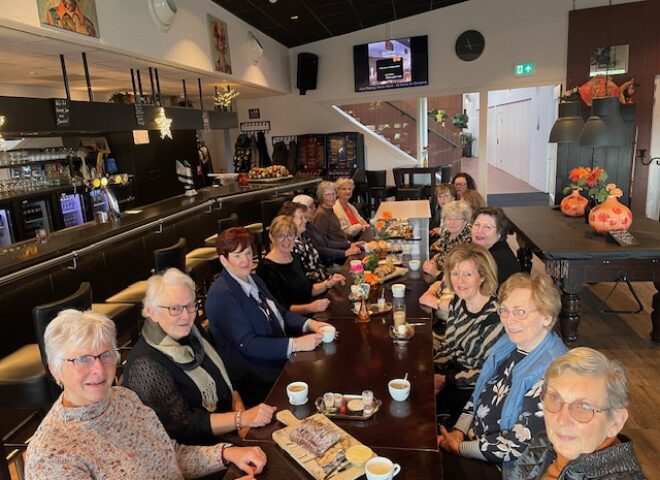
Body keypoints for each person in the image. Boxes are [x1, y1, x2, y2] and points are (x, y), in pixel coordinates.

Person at [25, 309, 265, 480]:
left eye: (106, 355)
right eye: (83, 359)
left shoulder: (124, 398)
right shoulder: (52, 455)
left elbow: (168, 457)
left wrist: (225, 453)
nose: (98, 370)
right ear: (55, 368)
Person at [123, 268, 276, 446]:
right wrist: (240, 419)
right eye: (175, 309)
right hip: (200, 449)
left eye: (190, 306)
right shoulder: (146, 365)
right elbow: (184, 427)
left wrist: (242, 421)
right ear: (152, 312)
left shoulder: (193, 332)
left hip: (230, 426)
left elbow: (226, 382)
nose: (186, 316)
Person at [438, 273, 567, 480]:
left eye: (520, 312)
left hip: (505, 468)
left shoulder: (554, 372)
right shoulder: (508, 343)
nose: (509, 320)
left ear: (547, 317)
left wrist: (459, 448)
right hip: (474, 443)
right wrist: (458, 431)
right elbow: (480, 392)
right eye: (504, 310)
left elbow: (515, 445)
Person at [206, 227, 334, 406]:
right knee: (322, 382)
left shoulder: (254, 279)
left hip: (279, 359)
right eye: (237, 255)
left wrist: (310, 323)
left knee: (329, 368)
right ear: (224, 260)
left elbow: (281, 313)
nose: (245, 260)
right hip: (257, 377)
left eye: (248, 253)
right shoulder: (222, 294)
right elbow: (249, 345)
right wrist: (295, 344)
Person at [504, 347, 647, 480]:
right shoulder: (544, 443)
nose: (561, 420)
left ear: (616, 422)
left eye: (584, 406)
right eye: (555, 398)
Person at [422, 244, 505, 425]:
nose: (460, 281)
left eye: (468, 274)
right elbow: (450, 344)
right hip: (454, 376)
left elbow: (489, 373)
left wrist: (446, 379)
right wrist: (432, 368)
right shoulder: (459, 302)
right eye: (455, 273)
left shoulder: (494, 318)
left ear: (482, 276)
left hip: (475, 392)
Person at [256, 215, 345, 313]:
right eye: (280, 236)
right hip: (291, 319)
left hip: (308, 310)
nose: (286, 240)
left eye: (290, 235)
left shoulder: (295, 257)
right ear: (271, 237)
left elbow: (307, 290)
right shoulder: (266, 268)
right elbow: (278, 308)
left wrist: (328, 283)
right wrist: (310, 307)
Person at [293, 194, 363, 265]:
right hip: (326, 264)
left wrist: (349, 245)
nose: (314, 208)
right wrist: (345, 253)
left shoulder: (310, 225)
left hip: (329, 261)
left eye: (314, 205)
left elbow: (327, 243)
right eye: (311, 207)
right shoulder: (302, 230)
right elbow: (319, 250)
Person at [279, 201, 330, 282]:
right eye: (301, 218)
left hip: (324, 280)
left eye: (304, 217)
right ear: (290, 221)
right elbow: (302, 279)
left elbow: (318, 264)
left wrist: (330, 278)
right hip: (314, 286)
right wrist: (327, 283)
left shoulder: (304, 237)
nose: (305, 221)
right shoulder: (291, 246)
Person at [471, 207, 520, 285]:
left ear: (499, 232)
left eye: (487, 227)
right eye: (477, 225)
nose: (479, 231)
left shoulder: (501, 262)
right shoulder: (482, 249)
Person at [424, 200, 473, 279]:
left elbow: (459, 274)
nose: (452, 222)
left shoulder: (468, 238)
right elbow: (444, 253)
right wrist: (434, 260)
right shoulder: (448, 233)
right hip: (440, 272)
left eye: (457, 219)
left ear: (465, 221)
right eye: (449, 218)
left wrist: (436, 272)